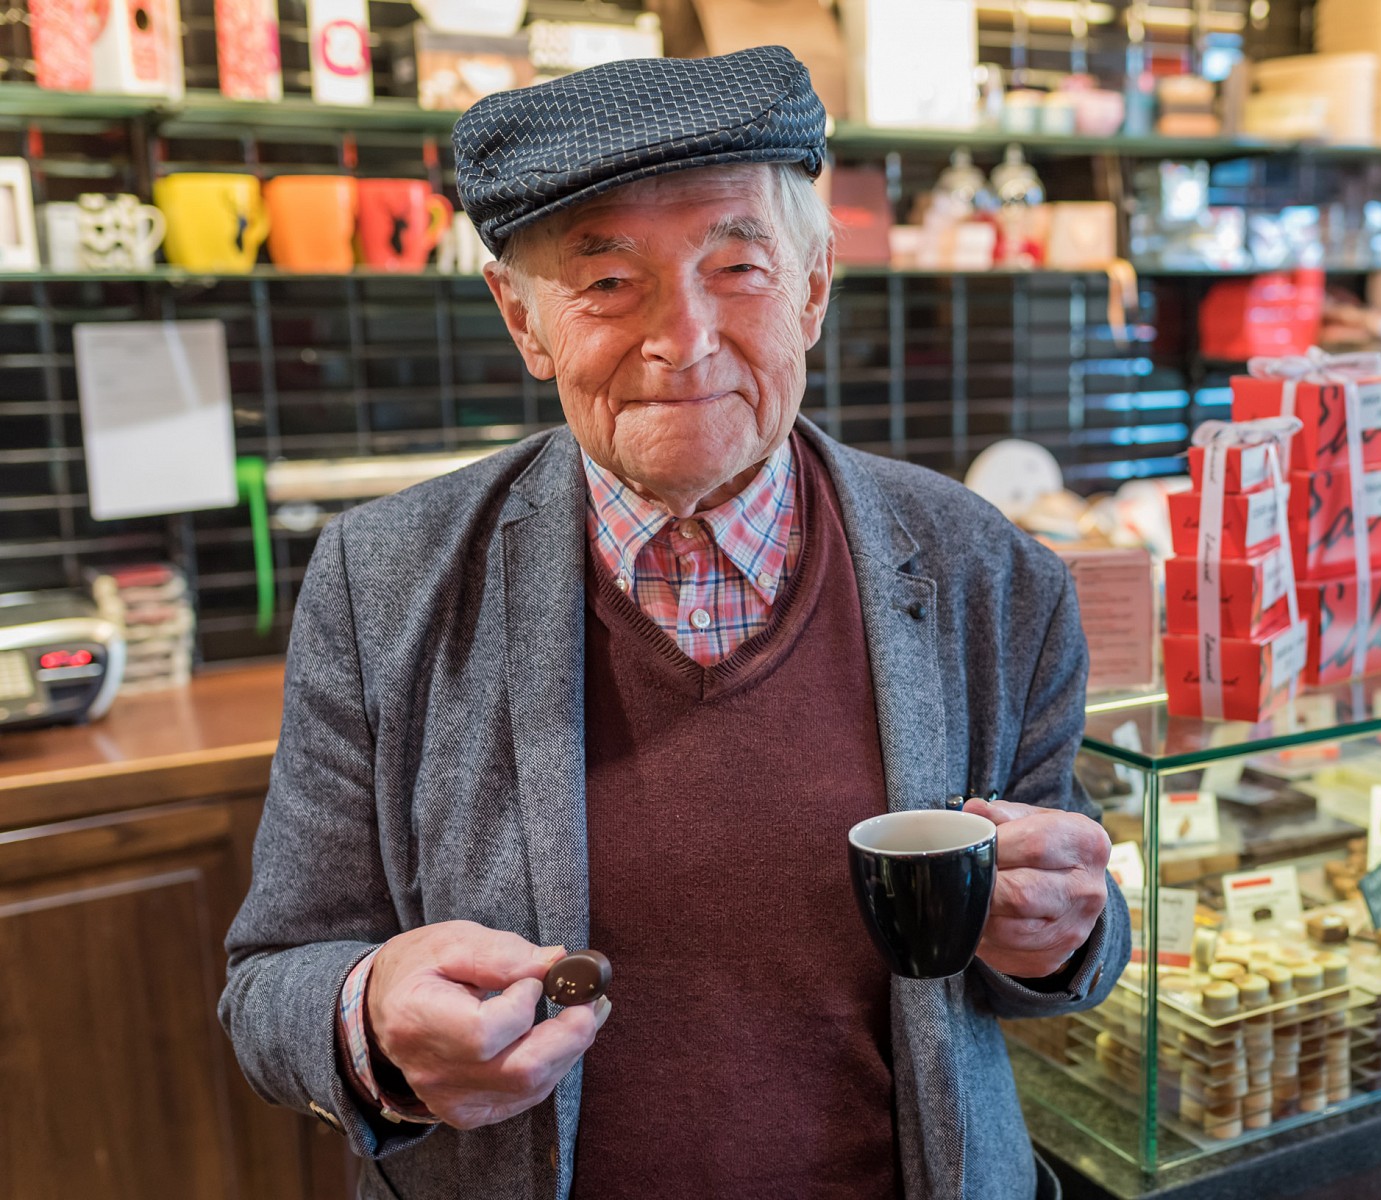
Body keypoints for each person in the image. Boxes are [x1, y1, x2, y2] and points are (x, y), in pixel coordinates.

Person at [219, 46, 1128, 1200]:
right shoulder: (381, 583)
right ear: (522, 318)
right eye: (607, 284)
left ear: (811, 286)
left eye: (737, 266)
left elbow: (1074, 928)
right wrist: (372, 1024)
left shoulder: (988, 575)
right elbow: (269, 983)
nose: (683, 337)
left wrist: (1066, 935)